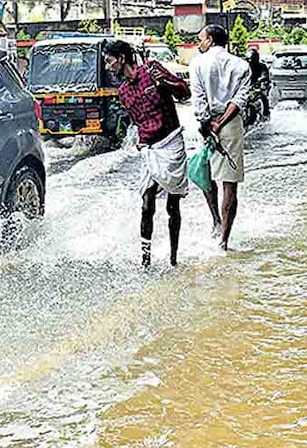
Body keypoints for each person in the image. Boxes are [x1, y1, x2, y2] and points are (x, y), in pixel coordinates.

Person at [103, 39, 191, 268]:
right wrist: (140, 142)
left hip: (171, 143)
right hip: (149, 149)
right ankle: (145, 259)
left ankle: (173, 258)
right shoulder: (123, 91)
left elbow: (184, 92)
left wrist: (167, 84)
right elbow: (137, 121)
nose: (107, 66)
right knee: (146, 204)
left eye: (109, 61)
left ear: (121, 59)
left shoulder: (152, 70)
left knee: (173, 205)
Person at [190, 24, 251, 252]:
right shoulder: (241, 65)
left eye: (201, 39)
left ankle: (215, 219)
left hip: (207, 125)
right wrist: (222, 122)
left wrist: (208, 124)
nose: (200, 43)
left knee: (205, 174)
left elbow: (199, 98)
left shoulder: (198, 62)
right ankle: (224, 239)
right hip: (231, 123)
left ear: (211, 40)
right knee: (230, 184)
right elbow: (240, 99)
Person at [247, 48, 271, 119]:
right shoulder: (245, 67)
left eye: (252, 59)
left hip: (259, 86)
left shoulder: (262, 66)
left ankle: (266, 112)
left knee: (263, 96)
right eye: (249, 59)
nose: (250, 61)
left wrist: (259, 82)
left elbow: (265, 76)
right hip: (248, 87)